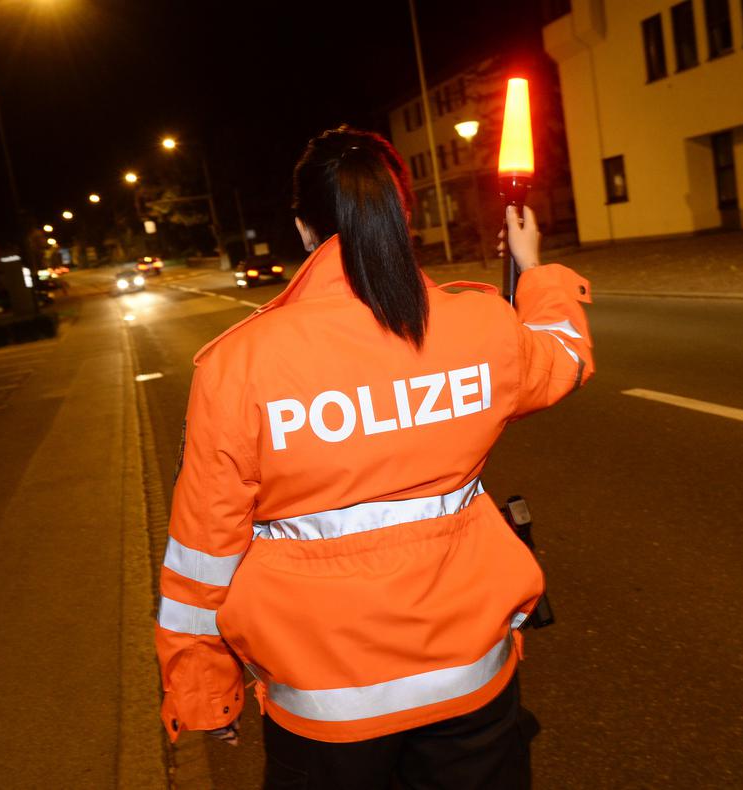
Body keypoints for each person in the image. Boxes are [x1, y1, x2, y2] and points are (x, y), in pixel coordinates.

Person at [155, 126, 593, 788]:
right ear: (402, 215)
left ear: (305, 229)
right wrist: (534, 272)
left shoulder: (239, 365)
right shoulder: (479, 328)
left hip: (325, 708)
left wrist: (202, 687)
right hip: (470, 683)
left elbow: (203, 549)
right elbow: (562, 356)